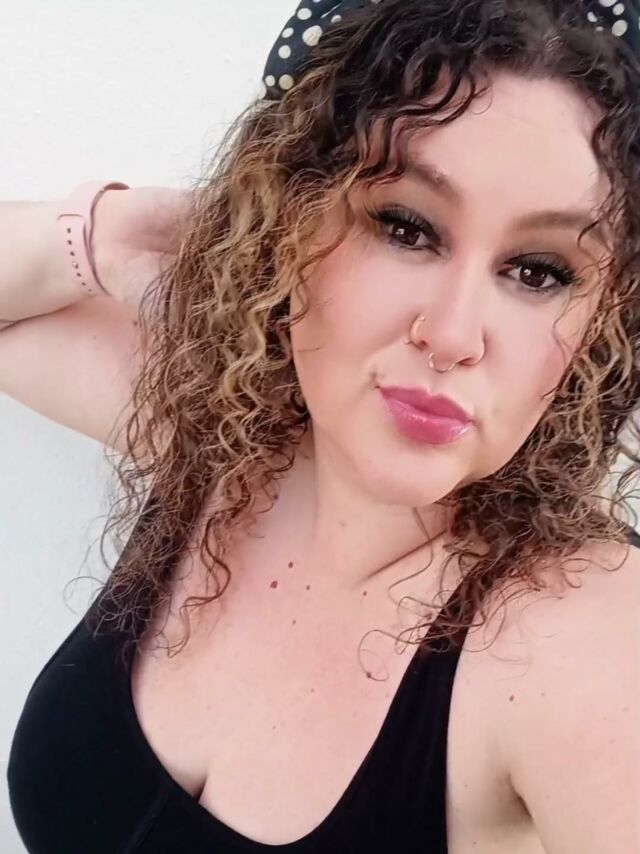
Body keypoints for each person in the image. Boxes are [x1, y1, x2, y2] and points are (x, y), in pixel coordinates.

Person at [3, 0, 640, 851]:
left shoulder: (585, 641)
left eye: (538, 271)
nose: (453, 335)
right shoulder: (220, 435)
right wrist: (107, 233)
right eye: (406, 227)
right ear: (290, 219)